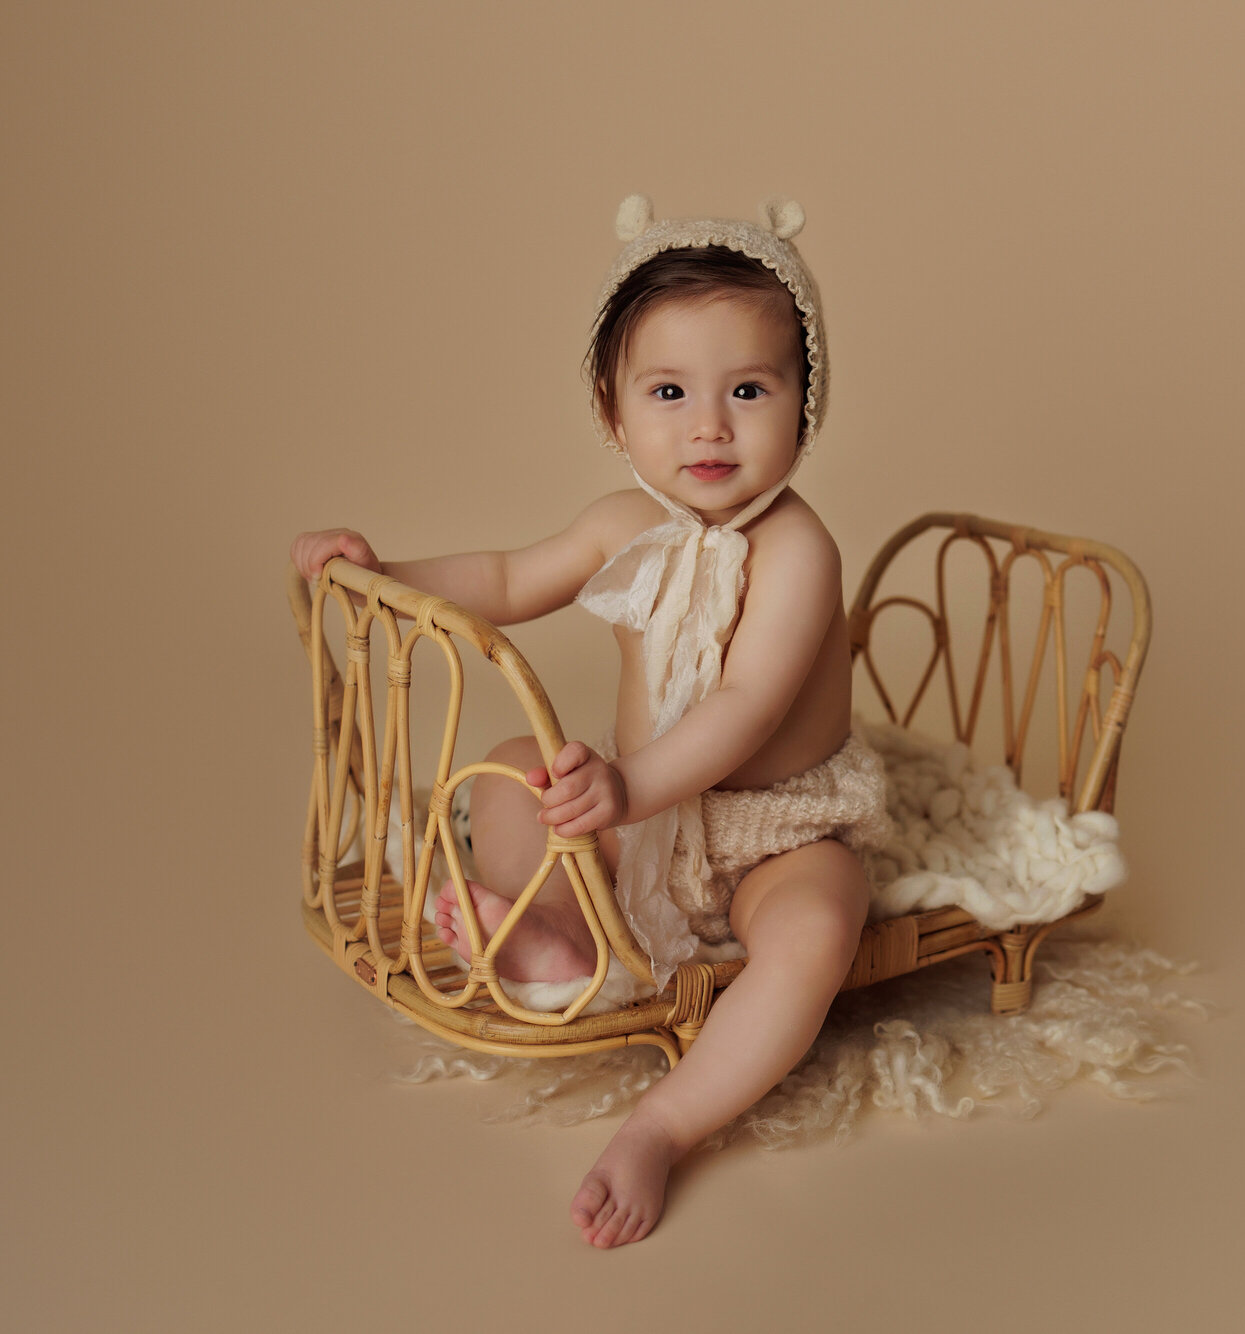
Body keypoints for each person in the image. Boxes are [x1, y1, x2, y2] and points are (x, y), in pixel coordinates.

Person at [290, 196, 888, 1249]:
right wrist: (380, 570)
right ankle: (557, 937)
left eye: (749, 389)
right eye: (669, 392)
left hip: (771, 831)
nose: (709, 426)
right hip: (642, 813)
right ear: (614, 414)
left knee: (818, 924)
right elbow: (510, 576)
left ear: (806, 405)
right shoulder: (621, 523)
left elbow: (745, 707)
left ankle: (665, 1121)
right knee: (513, 769)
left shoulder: (800, 552)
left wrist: (630, 786)